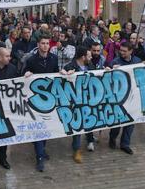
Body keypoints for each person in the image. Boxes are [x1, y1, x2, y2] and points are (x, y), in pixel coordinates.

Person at [24, 35, 59, 172]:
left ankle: (42, 149)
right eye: (42, 43)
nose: (45, 46)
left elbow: (56, 74)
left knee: (46, 127)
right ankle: (39, 157)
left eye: (47, 43)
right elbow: (24, 72)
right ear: (38, 44)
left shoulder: (54, 58)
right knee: (39, 128)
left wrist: (62, 73)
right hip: (35, 99)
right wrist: (26, 73)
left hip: (49, 98)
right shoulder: (31, 60)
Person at [63, 46, 96, 163]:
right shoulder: (69, 67)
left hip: (89, 99)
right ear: (83, 57)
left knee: (90, 120)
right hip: (75, 102)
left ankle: (90, 140)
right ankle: (76, 149)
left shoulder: (90, 66)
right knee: (77, 124)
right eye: (89, 55)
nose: (91, 57)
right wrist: (66, 74)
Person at [108, 42, 142, 155]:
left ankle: (125, 144)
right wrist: (112, 70)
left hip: (133, 97)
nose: (121, 53)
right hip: (119, 97)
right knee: (117, 122)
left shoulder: (137, 61)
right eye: (120, 50)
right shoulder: (115, 62)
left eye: (124, 51)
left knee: (130, 122)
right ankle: (112, 138)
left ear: (131, 51)